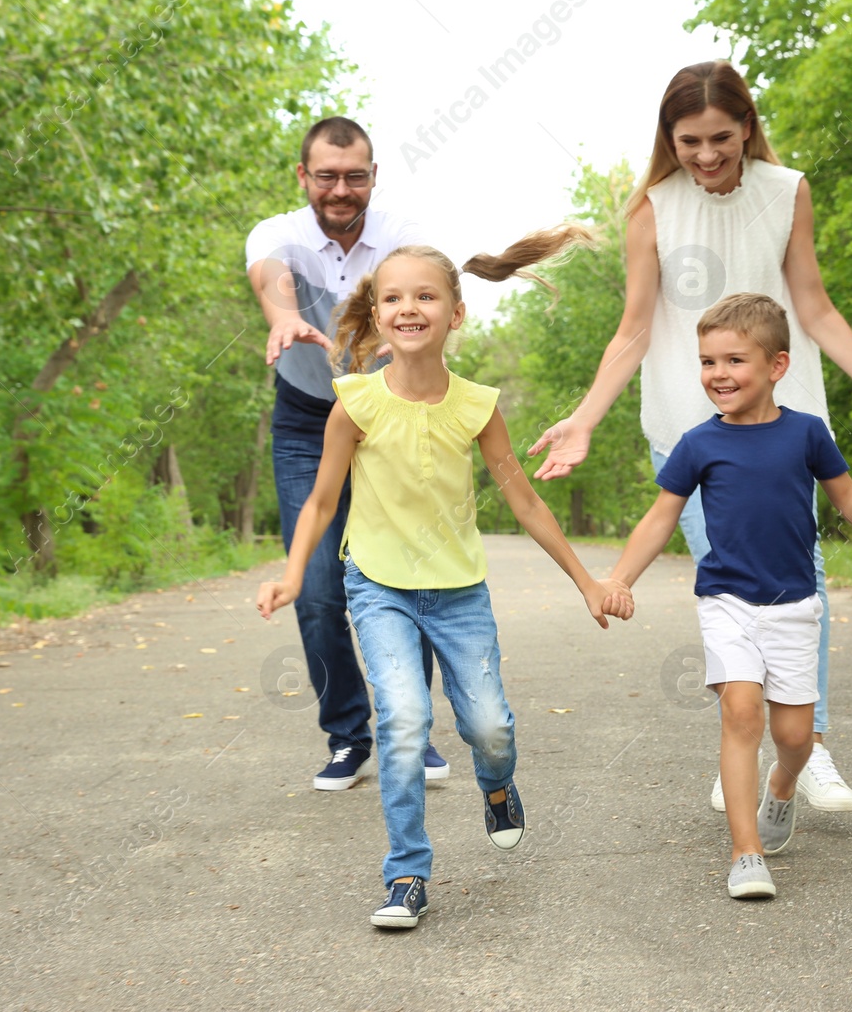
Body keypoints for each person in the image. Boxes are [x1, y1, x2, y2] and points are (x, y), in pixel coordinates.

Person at [528, 61, 852, 812]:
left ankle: (807, 745)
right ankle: (745, 747)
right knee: (733, 577)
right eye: (689, 141)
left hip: (786, 424)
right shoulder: (652, 209)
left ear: (748, 126)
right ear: (669, 139)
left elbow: (814, 308)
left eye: (721, 137)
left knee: (801, 579)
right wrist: (585, 417)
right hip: (690, 429)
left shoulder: (787, 193)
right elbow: (632, 331)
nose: (707, 155)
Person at [255, 229, 632, 929]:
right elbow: (320, 501)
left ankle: (497, 787)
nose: (408, 307)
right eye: (392, 296)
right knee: (403, 720)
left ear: (454, 313)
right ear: (376, 316)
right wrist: (290, 574)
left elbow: (523, 498)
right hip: (379, 587)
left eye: (425, 295)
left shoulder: (477, 406)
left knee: (488, 726)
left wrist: (586, 579)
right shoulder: (355, 403)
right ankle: (406, 873)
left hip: (459, 591)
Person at [602, 293, 852, 897]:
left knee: (794, 739)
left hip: (794, 606)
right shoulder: (697, 443)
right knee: (741, 713)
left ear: (777, 366)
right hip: (728, 601)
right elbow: (661, 518)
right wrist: (619, 579)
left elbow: (846, 494)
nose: (719, 374)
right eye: (708, 362)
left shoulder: (807, 433)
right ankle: (746, 853)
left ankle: (783, 787)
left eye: (735, 361)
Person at [246, 116, 450, 791]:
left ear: (372, 178)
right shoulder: (280, 234)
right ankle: (347, 734)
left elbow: (424, 285)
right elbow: (273, 274)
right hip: (308, 421)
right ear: (303, 177)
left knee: (404, 578)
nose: (341, 189)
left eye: (354, 176)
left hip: (389, 416)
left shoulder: (398, 235)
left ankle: (409, 730)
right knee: (316, 591)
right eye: (326, 176)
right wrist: (282, 315)